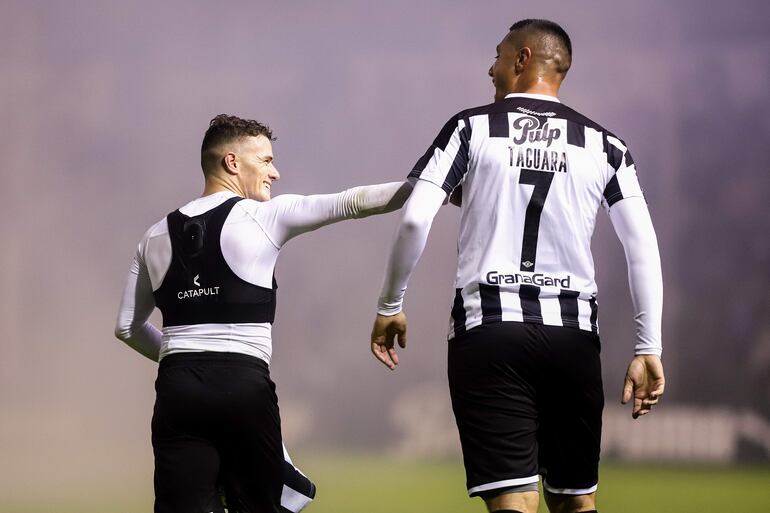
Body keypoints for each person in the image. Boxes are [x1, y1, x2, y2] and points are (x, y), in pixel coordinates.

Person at [370, 19, 665, 513]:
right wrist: (648, 345)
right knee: (576, 503)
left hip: (490, 331)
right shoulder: (606, 146)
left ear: (523, 59)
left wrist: (390, 304)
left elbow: (415, 221)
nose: (491, 68)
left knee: (514, 501)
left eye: (499, 56)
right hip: (572, 337)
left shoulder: (471, 127)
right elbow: (643, 246)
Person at [115, 114, 412, 513]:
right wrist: (432, 189)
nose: (275, 171)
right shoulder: (264, 216)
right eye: (266, 160)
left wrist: (184, 358)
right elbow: (353, 201)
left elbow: (126, 327)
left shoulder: (153, 236)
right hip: (243, 386)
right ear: (233, 163)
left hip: (177, 389)